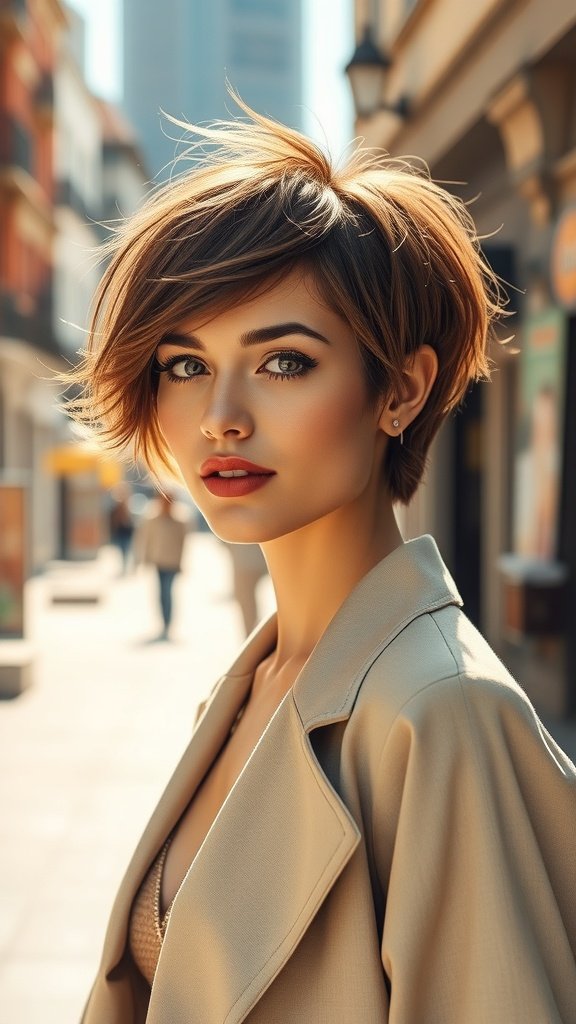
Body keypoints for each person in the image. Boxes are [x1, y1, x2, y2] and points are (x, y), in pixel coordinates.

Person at [67, 101, 576, 1023]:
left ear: (402, 390)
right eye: (185, 365)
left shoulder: (442, 714)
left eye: (285, 362)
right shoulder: (255, 682)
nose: (220, 413)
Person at [135, 492, 188, 640]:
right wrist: (145, 560)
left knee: (167, 592)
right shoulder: (153, 520)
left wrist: (182, 563)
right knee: (160, 593)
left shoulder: (180, 521)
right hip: (158, 561)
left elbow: (183, 543)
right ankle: (163, 622)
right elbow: (147, 540)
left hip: (172, 562)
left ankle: (168, 623)